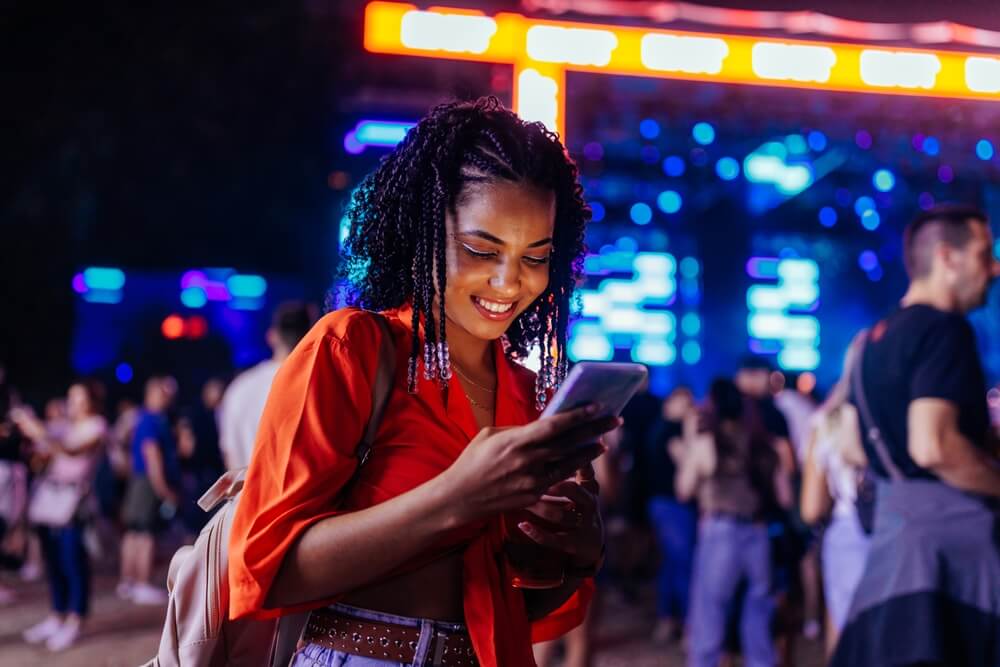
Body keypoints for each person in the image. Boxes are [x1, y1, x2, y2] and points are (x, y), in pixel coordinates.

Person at [228, 97, 616, 667]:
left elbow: (512, 611)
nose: (509, 282)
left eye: (535, 257)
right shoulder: (353, 348)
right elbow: (268, 571)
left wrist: (578, 553)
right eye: (481, 249)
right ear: (425, 233)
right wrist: (458, 496)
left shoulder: (531, 394)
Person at [832, 204, 1000, 667]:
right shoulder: (945, 330)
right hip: (949, 552)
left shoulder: (869, 341)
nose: (995, 269)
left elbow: (849, 446)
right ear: (948, 257)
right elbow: (934, 446)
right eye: (985, 254)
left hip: (893, 542)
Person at [675, 378, 786, 667]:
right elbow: (782, 494)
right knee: (759, 612)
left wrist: (689, 440)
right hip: (758, 530)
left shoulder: (708, 437)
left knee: (710, 612)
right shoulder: (757, 439)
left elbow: (685, 488)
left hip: (721, 528)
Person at [12, 380, 107, 651]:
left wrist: (37, 430)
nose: (73, 404)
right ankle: (57, 615)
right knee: (52, 561)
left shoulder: (96, 426)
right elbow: (43, 453)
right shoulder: (66, 425)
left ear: (91, 401)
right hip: (49, 500)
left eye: (79, 398)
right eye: (71, 397)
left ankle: (75, 620)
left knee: (72, 562)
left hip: (74, 502)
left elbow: (70, 450)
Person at [799, 335, 871, 657]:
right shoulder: (904, 416)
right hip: (906, 529)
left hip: (848, 530)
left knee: (841, 636)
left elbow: (811, 508)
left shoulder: (826, 421)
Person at [218, 302, 314, 471]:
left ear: (272, 336)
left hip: (248, 494)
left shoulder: (239, 388)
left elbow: (230, 454)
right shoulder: (318, 385)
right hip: (302, 495)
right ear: (311, 337)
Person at [118, 376, 179, 605]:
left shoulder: (142, 418)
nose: (168, 397)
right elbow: (152, 454)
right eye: (163, 393)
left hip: (139, 481)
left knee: (133, 532)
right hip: (148, 483)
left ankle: (128, 582)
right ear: (152, 393)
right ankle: (141, 583)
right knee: (146, 533)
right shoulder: (152, 420)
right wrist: (162, 488)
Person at [647, 386, 697, 643]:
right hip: (671, 505)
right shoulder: (670, 432)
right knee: (682, 563)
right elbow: (688, 465)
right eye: (685, 404)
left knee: (670, 563)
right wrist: (691, 432)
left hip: (661, 504)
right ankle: (688, 623)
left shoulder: (659, 428)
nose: (690, 410)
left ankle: (668, 619)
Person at [176, 378, 226, 538]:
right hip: (199, 475)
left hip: (214, 473)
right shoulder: (196, 416)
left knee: (214, 521)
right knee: (197, 523)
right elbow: (186, 448)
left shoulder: (221, 414)